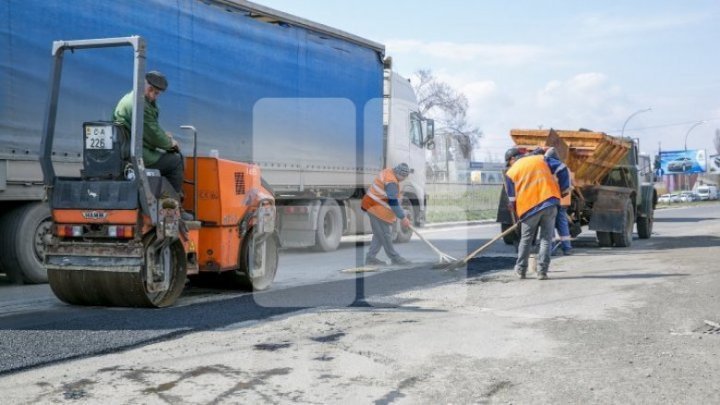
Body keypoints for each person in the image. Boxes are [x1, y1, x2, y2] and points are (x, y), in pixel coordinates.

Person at [113, 71, 184, 195]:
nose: (154, 96)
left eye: (157, 94)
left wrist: (164, 136)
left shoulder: (133, 98)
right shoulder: (139, 105)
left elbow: (150, 128)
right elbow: (153, 135)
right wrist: (170, 143)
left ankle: (158, 197)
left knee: (165, 157)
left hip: (128, 147)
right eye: (153, 91)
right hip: (136, 152)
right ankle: (173, 204)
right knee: (175, 161)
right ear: (145, 85)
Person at [505, 147, 571, 280]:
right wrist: (564, 189)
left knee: (526, 239)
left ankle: (521, 270)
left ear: (512, 159)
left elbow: (512, 199)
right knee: (546, 239)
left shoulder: (511, 172)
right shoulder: (541, 159)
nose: (509, 165)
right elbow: (562, 167)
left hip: (529, 207)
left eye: (508, 162)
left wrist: (514, 208)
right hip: (550, 203)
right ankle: (542, 272)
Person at [361, 163, 412, 266]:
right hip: (376, 209)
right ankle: (395, 258)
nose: (403, 179)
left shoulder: (388, 172)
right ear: (399, 173)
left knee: (379, 235)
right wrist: (403, 217)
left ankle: (370, 258)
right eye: (403, 177)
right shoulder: (392, 182)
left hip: (373, 205)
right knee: (385, 235)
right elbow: (393, 202)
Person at [544, 147, 573, 256]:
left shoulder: (545, 167)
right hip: (562, 199)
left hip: (550, 199)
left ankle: (551, 249)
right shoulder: (563, 167)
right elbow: (569, 185)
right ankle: (567, 248)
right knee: (562, 223)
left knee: (549, 223)